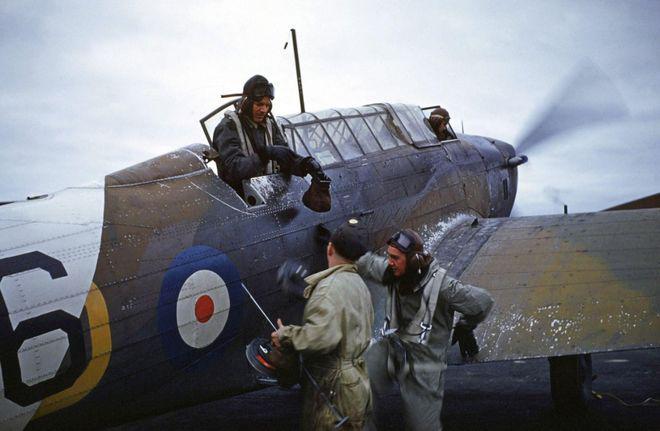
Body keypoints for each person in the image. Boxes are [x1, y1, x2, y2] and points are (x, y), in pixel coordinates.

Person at [358, 229, 494, 431]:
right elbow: (368, 264)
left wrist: (464, 327)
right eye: (389, 256)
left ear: (413, 261)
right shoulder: (393, 272)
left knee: (422, 426)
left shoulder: (442, 286)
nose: (389, 262)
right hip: (393, 348)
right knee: (358, 383)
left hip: (424, 363)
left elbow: (483, 302)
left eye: (395, 258)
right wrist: (343, 247)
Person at [271, 220, 374, 430]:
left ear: (330, 248)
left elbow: (320, 338)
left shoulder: (328, 289)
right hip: (356, 383)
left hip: (334, 388)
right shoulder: (359, 284)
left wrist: (285, 334)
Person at [212, 74, 330, 205]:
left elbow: (284, 156)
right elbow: (234, 169)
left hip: (267, 194)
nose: (263, 110)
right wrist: (265, 155)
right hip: (240, 203)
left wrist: (305, 165)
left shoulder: (270, 126)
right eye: (259, 104)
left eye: (267, 105)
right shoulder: (228, 127)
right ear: (247, 104)